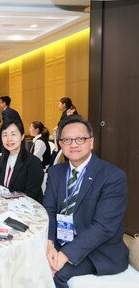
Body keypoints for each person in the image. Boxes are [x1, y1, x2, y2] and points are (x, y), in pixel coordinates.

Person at [44, 116, 129, 287]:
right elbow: (49, 211)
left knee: (52, 274)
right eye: (67, 140)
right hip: (60, 241)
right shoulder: (55, 172)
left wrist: (64, 255)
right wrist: (49, 244)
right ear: (60, 144)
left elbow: (103, 227)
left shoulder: (113, 177)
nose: (73, 144)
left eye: (80, 139)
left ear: (91, 142)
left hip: (97, 251)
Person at [0, 119, 44, 203]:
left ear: (22, 136)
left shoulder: (33, 163)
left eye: (13, 134)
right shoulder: (1, 160)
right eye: (5, 135)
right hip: (5, 207)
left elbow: (30, 195)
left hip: (28, 209)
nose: (9, 139)